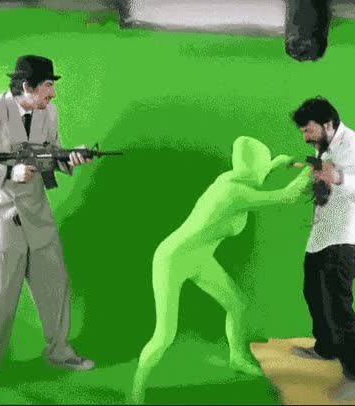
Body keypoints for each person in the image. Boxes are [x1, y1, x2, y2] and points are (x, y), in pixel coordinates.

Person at [130, 135, 311, 404]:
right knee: (164, 336)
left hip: (201, 258)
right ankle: (136, 393)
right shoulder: (234, 193)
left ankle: (237, 357)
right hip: (172, 259)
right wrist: (312, 170)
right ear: (251, 168)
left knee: (237, 304)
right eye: (261, 166)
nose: (262, 171)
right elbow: (288, 196)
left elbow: (256, 174)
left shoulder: (232, 179)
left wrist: (276, 164)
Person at [0, 55, 95, 398]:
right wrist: (9, 172)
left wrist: (69, 158)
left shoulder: (48, 113)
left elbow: (50, 153)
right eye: (48, 85)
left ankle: (59, 351)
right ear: (27, 86)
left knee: (55, 284)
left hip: (37, 214)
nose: (53, 93)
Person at [291, 96, 355, 401]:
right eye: (302, 132)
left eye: (308, 130)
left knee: (337, 300)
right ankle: (326, 347)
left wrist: (337, 176)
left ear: (328, 124)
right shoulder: (324, 147)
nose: (305, 137)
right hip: (323, 233)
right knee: (313, 291)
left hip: (347, 234)